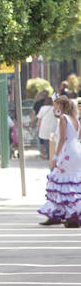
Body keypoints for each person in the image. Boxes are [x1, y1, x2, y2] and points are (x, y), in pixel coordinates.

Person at [38, 96, 81, 227]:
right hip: (76, 151)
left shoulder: (63, 118)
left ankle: (63, 214)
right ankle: (67, 213)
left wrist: (56, 155)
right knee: (71, 181)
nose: (54, 108)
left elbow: (62, 138)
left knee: (58, 180)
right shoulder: (75, 120)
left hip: (66, 151)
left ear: (60, 106)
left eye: (55, 105)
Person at [37, 96, 56, 161]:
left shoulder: (43, 108)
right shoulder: (55, 108)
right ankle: (52, 155)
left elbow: (39, 119)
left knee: (46, 142)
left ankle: (48, 154)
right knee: (52, 143)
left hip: (44, 127)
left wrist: (38, 128)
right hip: (53, 127)